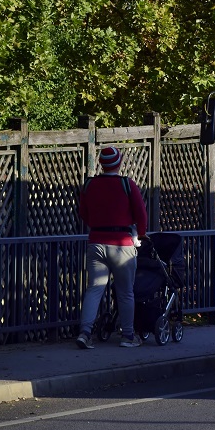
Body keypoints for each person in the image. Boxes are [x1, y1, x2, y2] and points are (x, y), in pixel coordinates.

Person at [75, 146, 148, 349]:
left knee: (94, 289)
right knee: (126, 292)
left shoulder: (89, 185)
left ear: (101, 163)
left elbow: (83, 213)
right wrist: (140, 233)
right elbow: (141, 214)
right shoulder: (127, 184)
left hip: (96, 242)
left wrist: (96, 225)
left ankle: (85, 332)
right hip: (122, 244)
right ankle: (128, 335)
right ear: (119, 163)